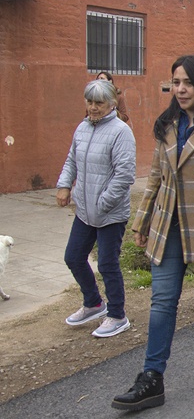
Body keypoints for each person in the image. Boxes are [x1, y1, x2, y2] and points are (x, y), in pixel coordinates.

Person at [111, 55, 194, 412]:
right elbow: (156, 176)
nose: (180, 89)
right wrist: (142, 222)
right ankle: (152, 377)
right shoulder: (168, 123)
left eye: (187, 82)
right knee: (162, 301)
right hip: (169, 222)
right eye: (175, 82)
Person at [58, 79, 136, 338]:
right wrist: (64, 186)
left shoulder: (120, 132)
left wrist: (103, 202)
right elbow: (72, 160)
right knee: (73, 257)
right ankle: (93, 303)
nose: (93, 107)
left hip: (109, 212)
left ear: (111, 104)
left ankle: (117, 315)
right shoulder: (82, 127)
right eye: (89, 101)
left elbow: (125, 175)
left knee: (107, 264)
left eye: (99, 103)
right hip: (85, 210)